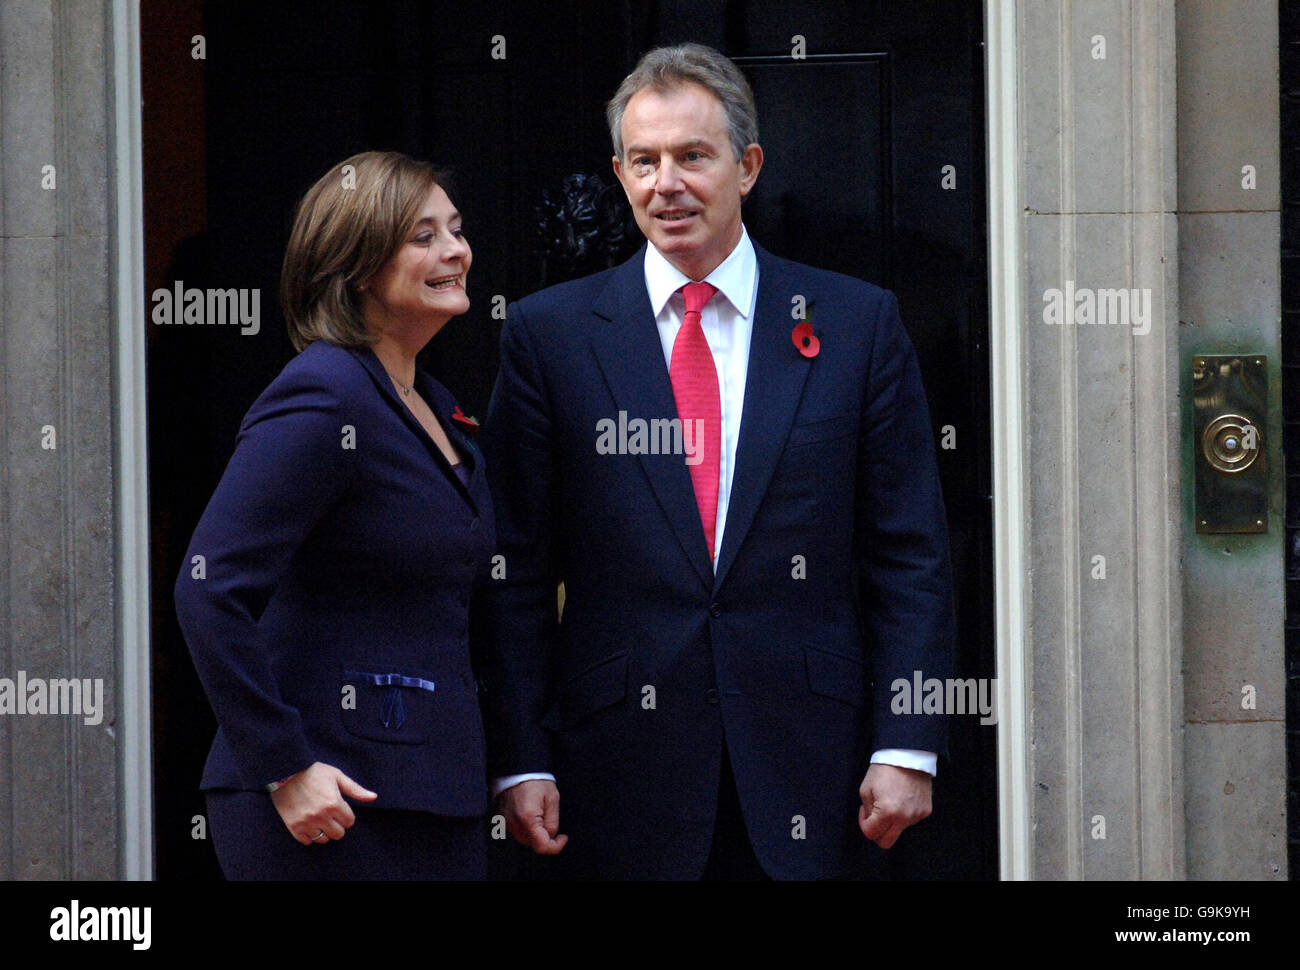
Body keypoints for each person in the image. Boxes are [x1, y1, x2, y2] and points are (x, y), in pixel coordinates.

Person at [480, 44, 956, 879]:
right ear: (621, 174)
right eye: (644, 160)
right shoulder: (549, 338)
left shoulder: (854, 324)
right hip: (615, 773)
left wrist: (908, 742)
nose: (667, 183)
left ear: (749, 165)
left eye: (693, 156)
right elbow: (514, 568)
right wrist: (523, 757)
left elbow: (909, 553)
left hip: (819, 769)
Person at [174, 151, 493, 880]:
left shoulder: (440, 409)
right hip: (329, 805)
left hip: (431, 796)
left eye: (456, 229)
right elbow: (207, 586)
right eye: (422, 236)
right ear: (355, 267)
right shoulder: (323, 396)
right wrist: (283, 767)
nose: (455, 251)